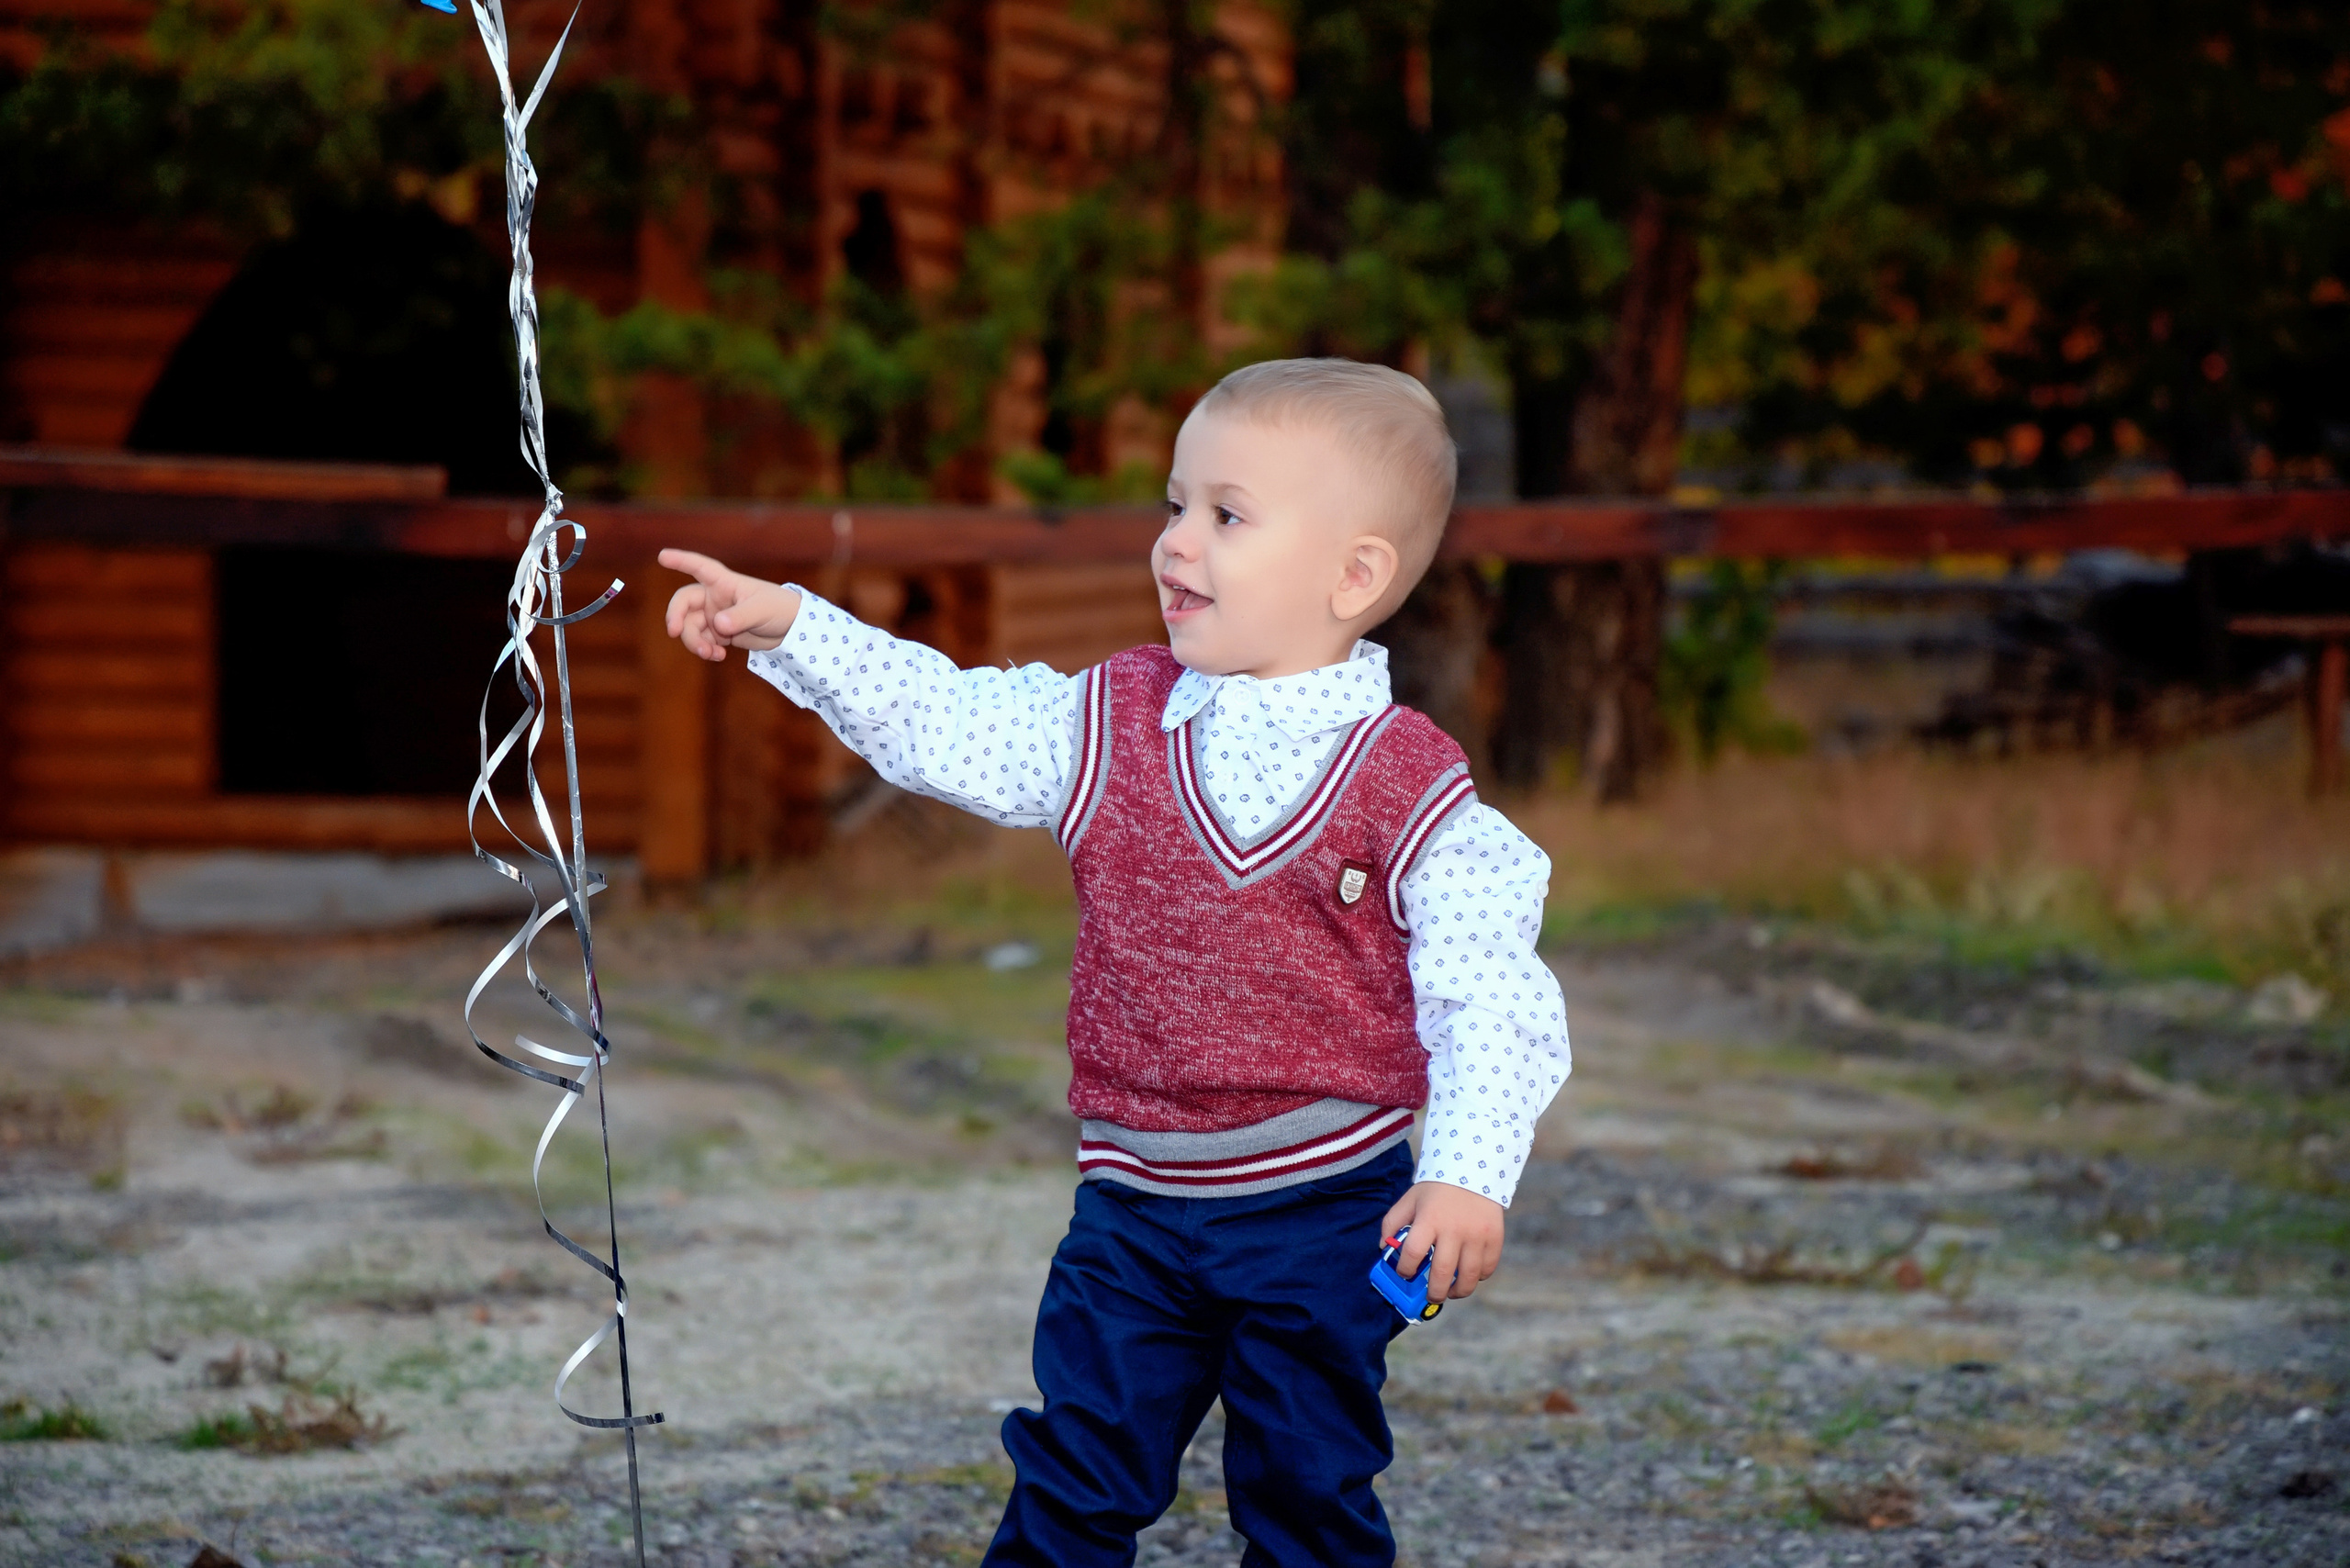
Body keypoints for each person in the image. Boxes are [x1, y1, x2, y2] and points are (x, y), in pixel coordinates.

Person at [659, 357, 1571, 1567]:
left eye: (1227, 516)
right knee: (1077, 1479)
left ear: (1355, 574)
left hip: (1319, 1206)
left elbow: (1492, 989)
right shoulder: (1110, 720)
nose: (1178, 543)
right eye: (1172, 506)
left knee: (1307, 1493)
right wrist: (794, 626)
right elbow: (947, 719)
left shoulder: (1407, 788)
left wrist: (1467, 1171)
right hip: (1133, 1210)